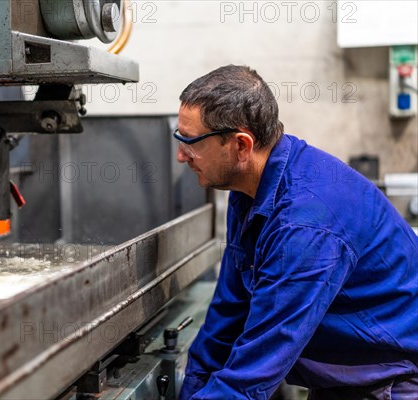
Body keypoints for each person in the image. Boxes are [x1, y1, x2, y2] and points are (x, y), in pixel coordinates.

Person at [175, 65, 418, 400]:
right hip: (342, 377)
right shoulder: (249, 193)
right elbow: (229, 311)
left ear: (240, 145)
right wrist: (191, 390)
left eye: (190, 142)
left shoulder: (304, 224)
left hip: (392, 383)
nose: (180, 155)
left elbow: (252, 375)